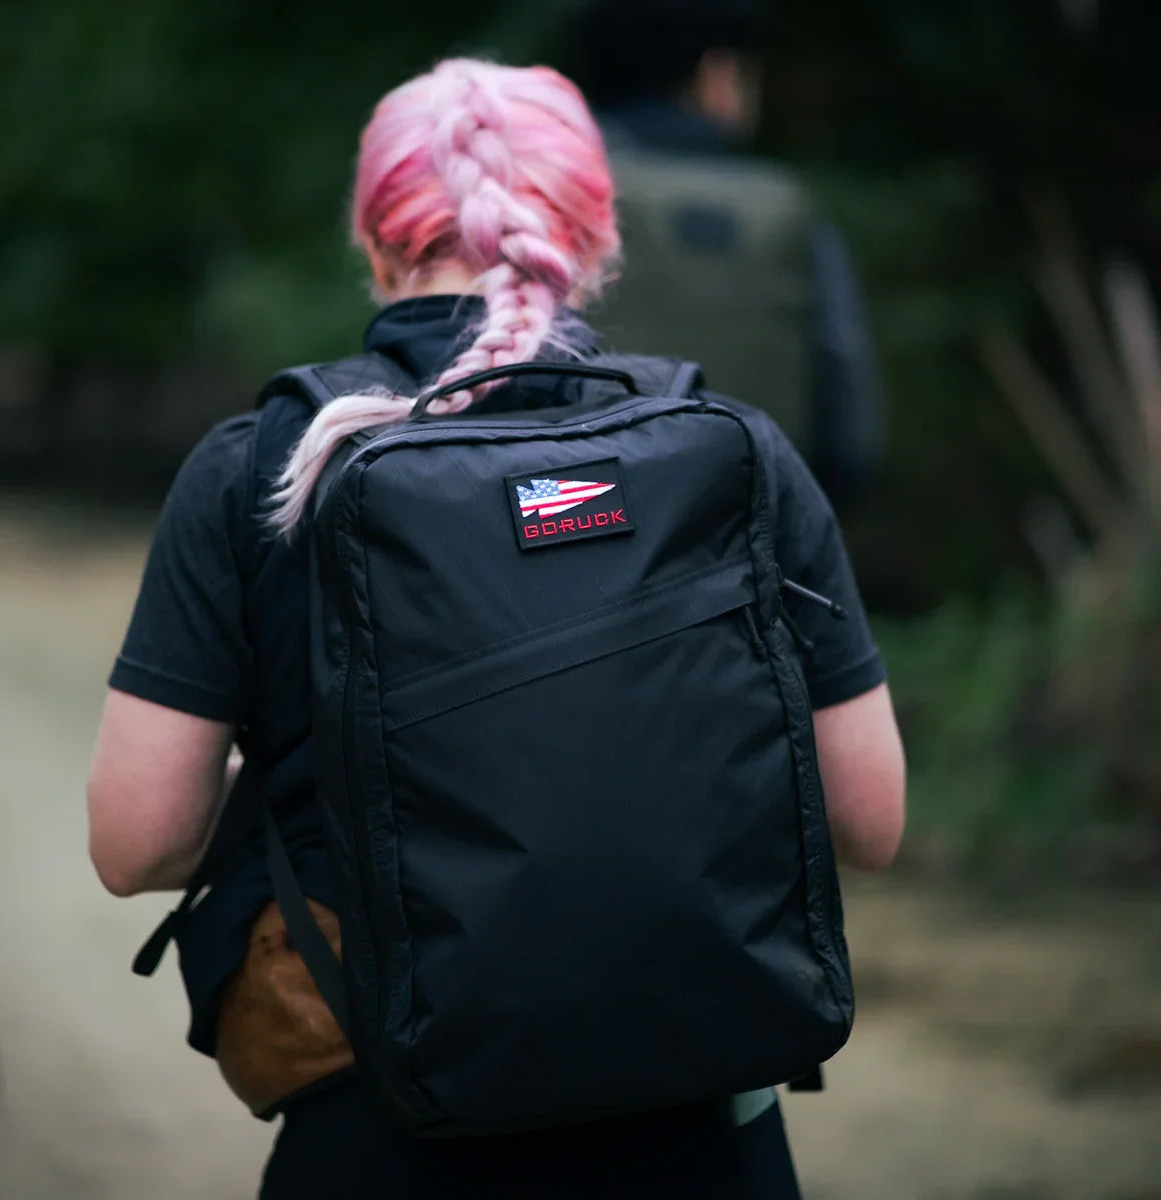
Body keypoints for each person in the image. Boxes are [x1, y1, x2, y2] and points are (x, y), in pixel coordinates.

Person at [87, 58, 905, 1199]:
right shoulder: (734, 451)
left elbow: (138, 845)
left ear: (377, 244)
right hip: (702, 1132)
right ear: (595, 238)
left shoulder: (261, 467)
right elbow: (869, 819)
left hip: (384, 1134)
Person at [566, 0, 883, 511]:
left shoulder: (552, 201)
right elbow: (848, 430)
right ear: (715, 73)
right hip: (754, 540)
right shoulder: (789, 211)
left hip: (583, 526)